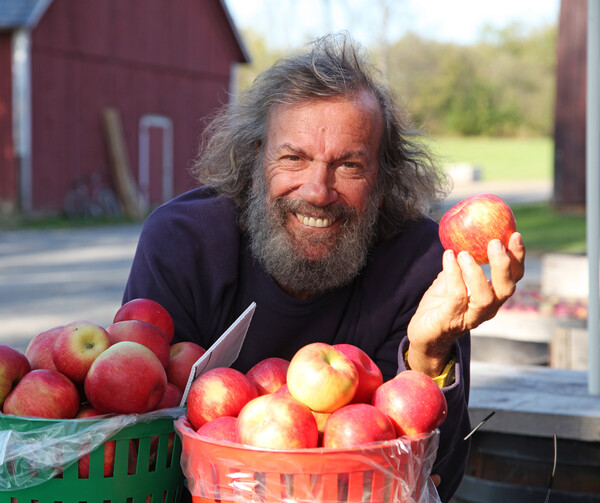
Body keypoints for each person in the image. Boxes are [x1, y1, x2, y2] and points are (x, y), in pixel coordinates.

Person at [122, 32, 525, 502]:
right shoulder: (183, 244)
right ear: (256, 162)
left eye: (349, 166)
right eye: (293, 158)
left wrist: (430, 353)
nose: (317, 190)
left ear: (383, 180)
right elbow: (142, 453)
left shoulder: (421, 266)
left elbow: (434, 480)